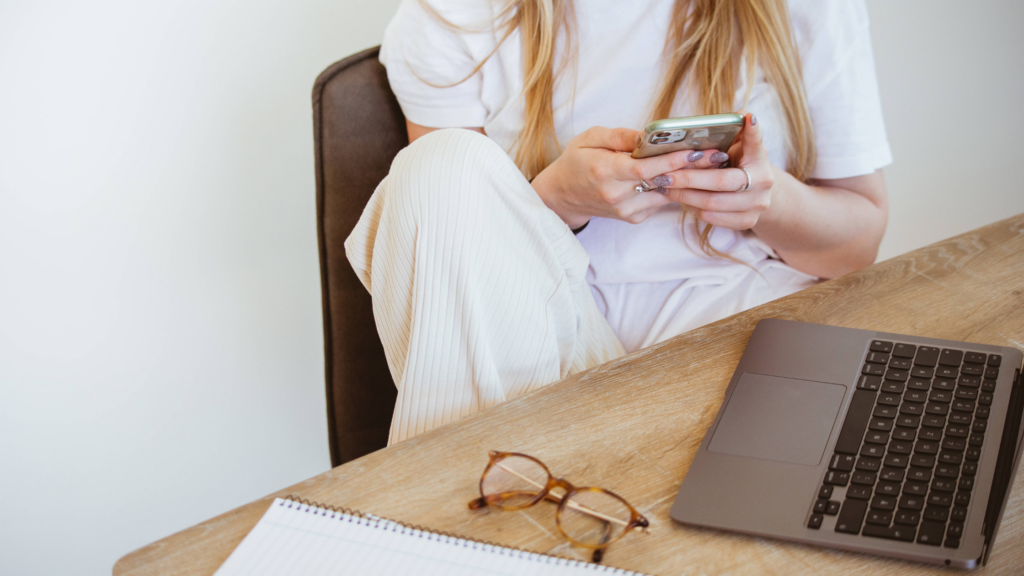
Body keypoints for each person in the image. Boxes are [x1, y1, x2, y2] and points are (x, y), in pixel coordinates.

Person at [346, 0, 891, 444]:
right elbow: (453, 251)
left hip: (740, 322)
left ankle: (451, 516)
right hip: (546, 343)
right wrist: (555, 199)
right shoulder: (447, 17)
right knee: (438, 165)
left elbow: (857, 243)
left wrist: (764, 200)